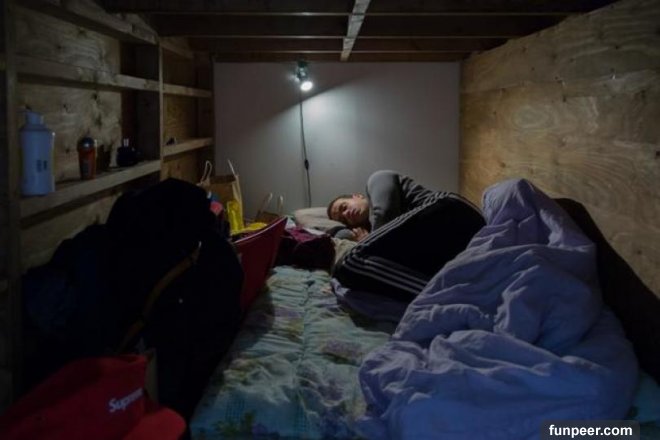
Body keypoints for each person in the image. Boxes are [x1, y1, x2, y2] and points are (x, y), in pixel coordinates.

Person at [329, 170, 485, 302]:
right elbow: (340, 235)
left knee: (349, 263)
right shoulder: (383, 234)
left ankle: (443, 298)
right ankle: (454, 296)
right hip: (448, 248)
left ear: (357, 196)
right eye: (343, 219)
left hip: (453, 214)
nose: (346, 214)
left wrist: (367, 242)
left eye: (344, 207)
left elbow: (385, 212)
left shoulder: (377, 179)